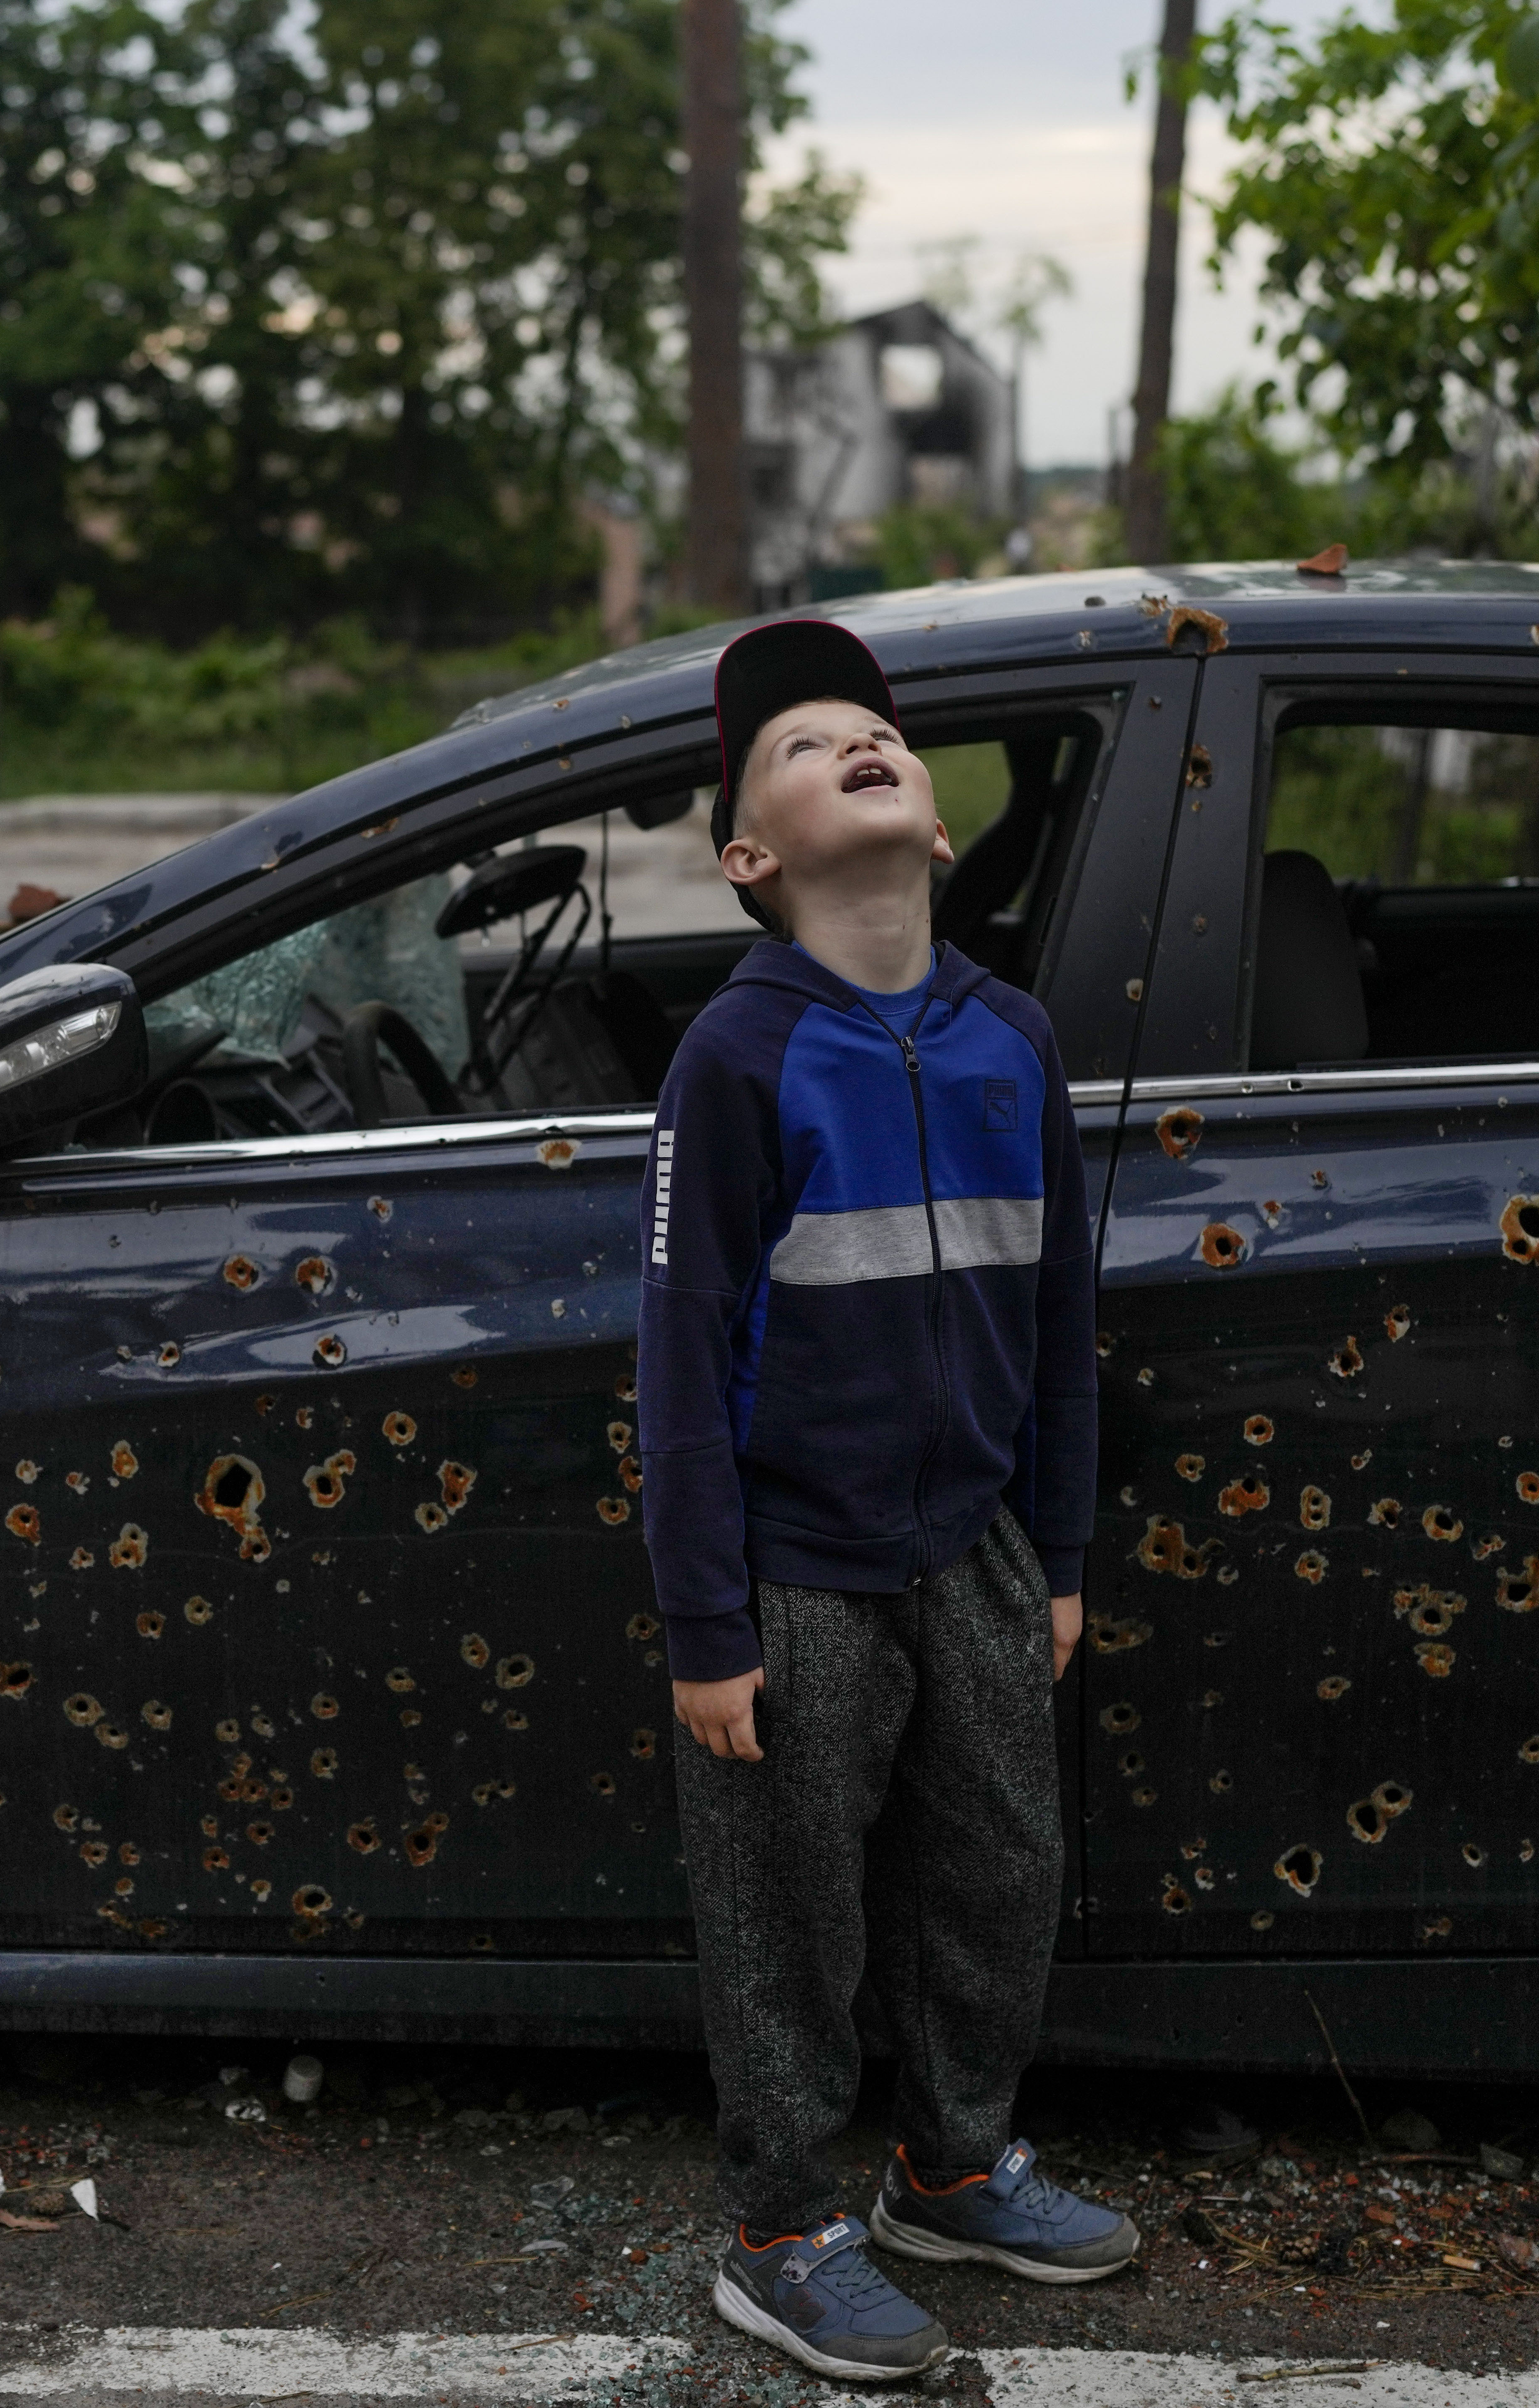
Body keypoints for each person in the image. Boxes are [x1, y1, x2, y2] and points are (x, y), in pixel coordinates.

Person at [637, 619, 1138, 2383]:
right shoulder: (741, 1058)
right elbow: (683, 1357)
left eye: (878, 734)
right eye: (800, 747)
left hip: (983, 1552)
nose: (856, 746)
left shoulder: (1011, 1037)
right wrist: (708, 1622)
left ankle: (951, 2166)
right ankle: (785, 2228)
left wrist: (1058, 1555)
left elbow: (1063, 1322)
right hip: (797, 1575)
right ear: (750, 856)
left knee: (1002, 1867)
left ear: (933, 820)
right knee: (795, 1915)